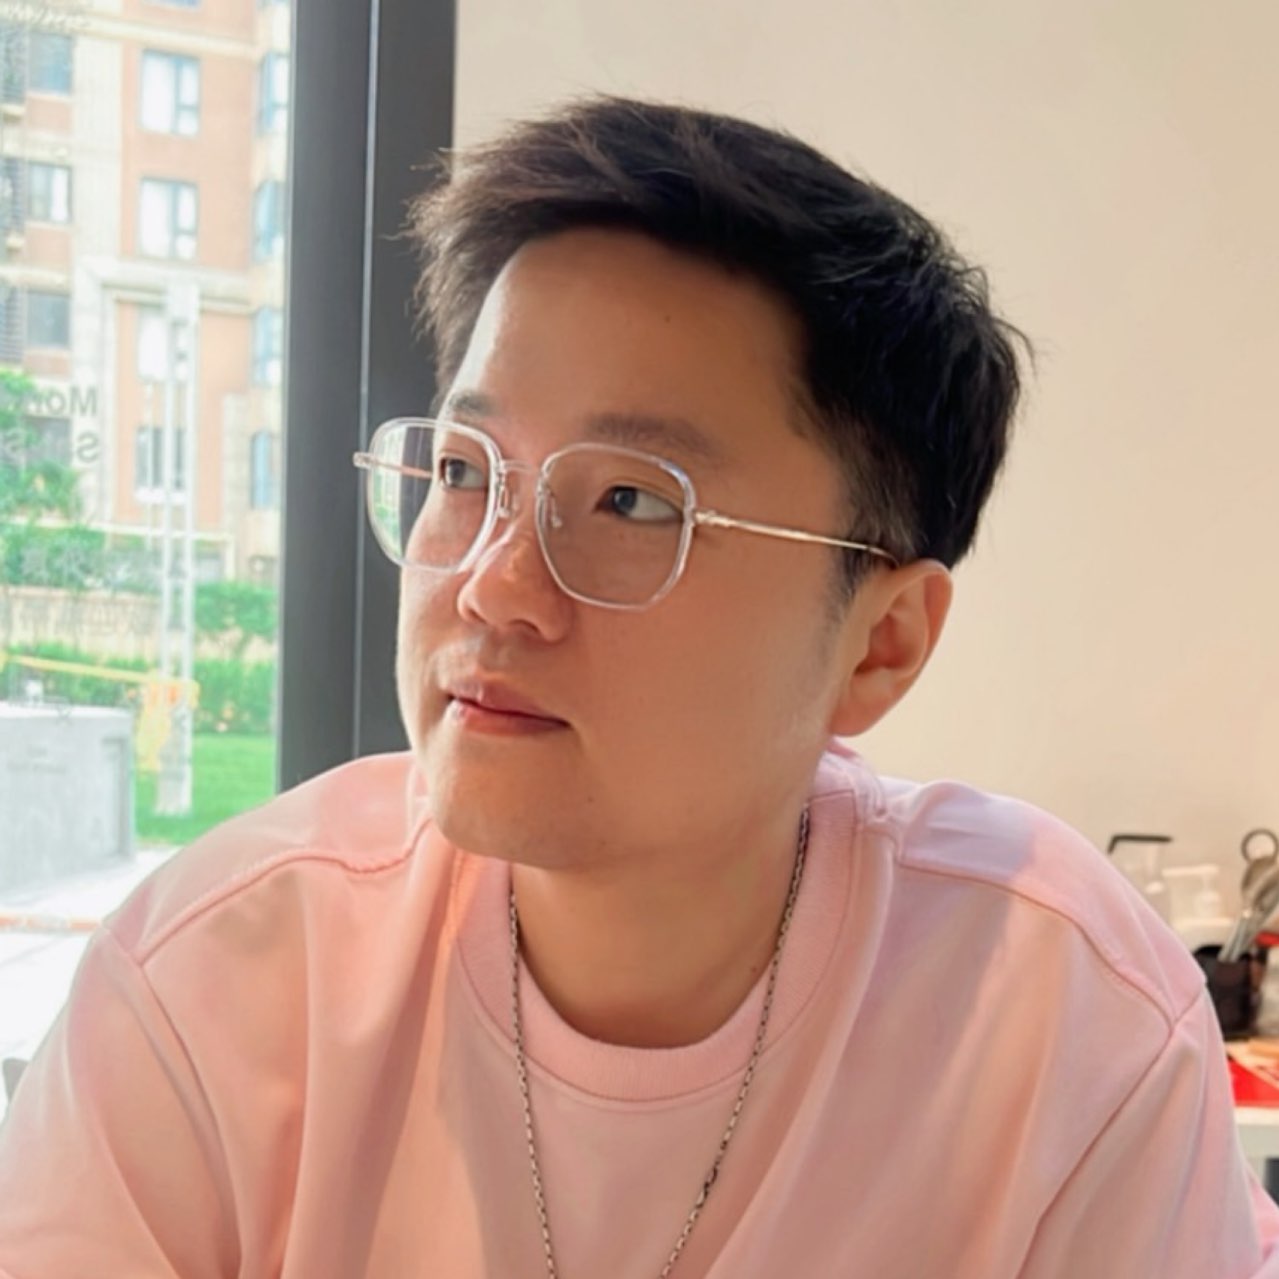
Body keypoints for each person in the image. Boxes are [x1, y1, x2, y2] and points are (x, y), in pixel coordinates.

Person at [0, 95, 1273, 1278]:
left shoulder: (1061, 1021)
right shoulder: (216, 985)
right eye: (464, 471)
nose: (494, 586)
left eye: (629, 502)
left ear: (880, 642)